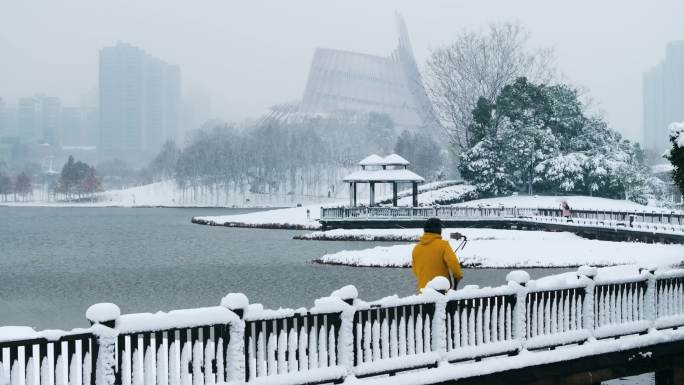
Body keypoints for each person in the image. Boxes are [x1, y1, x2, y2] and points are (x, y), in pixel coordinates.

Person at [412, 217, 463, 292]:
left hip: (423, 291)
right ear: (438, 230)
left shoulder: (416, 248)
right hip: (441, 291)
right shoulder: (443, 245)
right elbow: (453, 263)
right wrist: (458, 277)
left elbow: (415, 270)